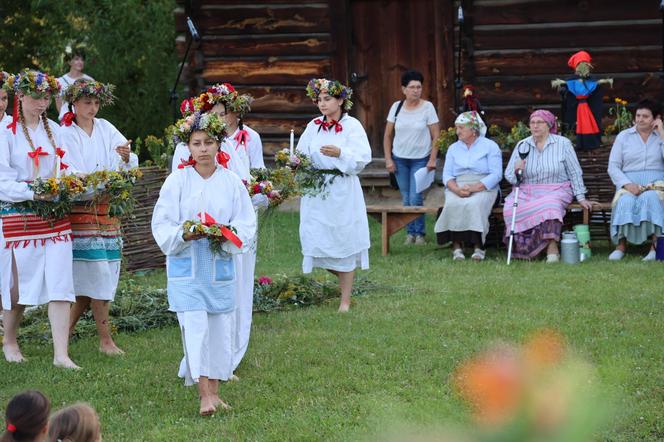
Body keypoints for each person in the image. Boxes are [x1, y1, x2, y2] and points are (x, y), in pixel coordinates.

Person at [152, 111, 256, 415]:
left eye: (209, 142)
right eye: (196, 143)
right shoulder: (177, 181)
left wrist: (224, 235)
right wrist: (185, 234)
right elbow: (162, 223)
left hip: (219, 267)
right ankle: (203, 395)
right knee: (196, 328)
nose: (203, 149)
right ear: (188, 147)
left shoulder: (231, 182)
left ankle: (216, 391)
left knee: (220, 329)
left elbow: (245, 223)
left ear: (218, 145)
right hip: (187, 269)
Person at [0, 70, 80, 368]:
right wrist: (33, 193)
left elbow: (65, 165)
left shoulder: (55, 130)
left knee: (60, 281)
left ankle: (61, 354)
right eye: (36, 97)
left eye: (46, 97)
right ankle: (9, 339)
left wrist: (71, 181)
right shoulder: (5, 132)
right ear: (19, 96)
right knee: (18, 287)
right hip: (19, 215)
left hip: (54, 216)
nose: (42, 103)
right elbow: (2, 181)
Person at [59, 79, 137, 355]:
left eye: (95, 103)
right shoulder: (63, 132)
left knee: (95, 277)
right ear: (74, 103)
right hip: (81, 210)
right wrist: (88, 180)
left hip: (105, 209)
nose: (92, 108)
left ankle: (62, 336)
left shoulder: (106, 128)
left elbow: (126, 158)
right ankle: (105, 341)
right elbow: (64, 168)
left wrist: (126, 157)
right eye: (86, 102)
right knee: (96, 274)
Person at [298, 78, 371, 312]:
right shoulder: (313, 126)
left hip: (341, 189)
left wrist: (341, 153)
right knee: (316, 240)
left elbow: (362, 158)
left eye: (327, 99)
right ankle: (343, 280)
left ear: (340, 100)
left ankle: (345, 301)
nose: (322, 104)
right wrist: (295, 162)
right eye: (319, 99)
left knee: (343, 240)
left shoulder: (352, 126)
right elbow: (302, 153)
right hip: (317, 190)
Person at [503, 109, 593, 262]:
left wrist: (581, 196)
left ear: (549, 125)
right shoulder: (522, 145)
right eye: (532, 123)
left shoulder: (562, 144)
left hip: (556, 189)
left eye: (540, 122)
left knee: (550, 206)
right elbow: (510, 177)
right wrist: (517, 170)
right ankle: (527, 250)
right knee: (511, 208)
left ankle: (552, 249)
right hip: (527, 190)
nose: (535, 126)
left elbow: (574, 172)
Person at [434, 111, 502, 260]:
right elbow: (447, 175)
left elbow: (496, 175)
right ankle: (457, 247)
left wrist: (474, 188)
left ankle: (479, 247)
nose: (457, 132)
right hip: (458, 186)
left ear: (473, 130)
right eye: (457, 128)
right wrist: (456, 189)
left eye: (461, 128)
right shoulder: (453, 148)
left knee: (475, 203)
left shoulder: (490, 146)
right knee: (452, 204)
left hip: (484, 187)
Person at [383, 69, 440, 244]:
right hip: (399, 159)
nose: (416, 90)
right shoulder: (396, 107)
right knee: (406, 197)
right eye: (412, 87)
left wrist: (432, 159)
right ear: (404, 89)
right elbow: (387, 135)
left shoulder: (427, 107)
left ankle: (420, 234)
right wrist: (388, 159)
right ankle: (410, 233)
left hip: (421, 159)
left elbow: (437, 135)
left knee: (416, 196)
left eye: (419, 87)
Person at [607, 99, 664, 261]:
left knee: (650, 198)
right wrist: (627, 184)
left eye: (645, 116)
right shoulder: (624, 137)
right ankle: (621, 246)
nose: (640, 119)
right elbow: (613, 167)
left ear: (656, 118)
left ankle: (655, 247)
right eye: (638, 115)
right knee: (625, 201)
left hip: (657, 183)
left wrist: (662, 133)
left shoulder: (661, 135)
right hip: (629, 182)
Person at [55, 44, 93, 122]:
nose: (80, 62)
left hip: (85, 120)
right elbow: (59, 104)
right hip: (66, 121)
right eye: (76, 59)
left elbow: (92, 102)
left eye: (82, 60)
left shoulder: (89, 80)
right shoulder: (60, 81)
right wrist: (64, 120)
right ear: (69, 61)